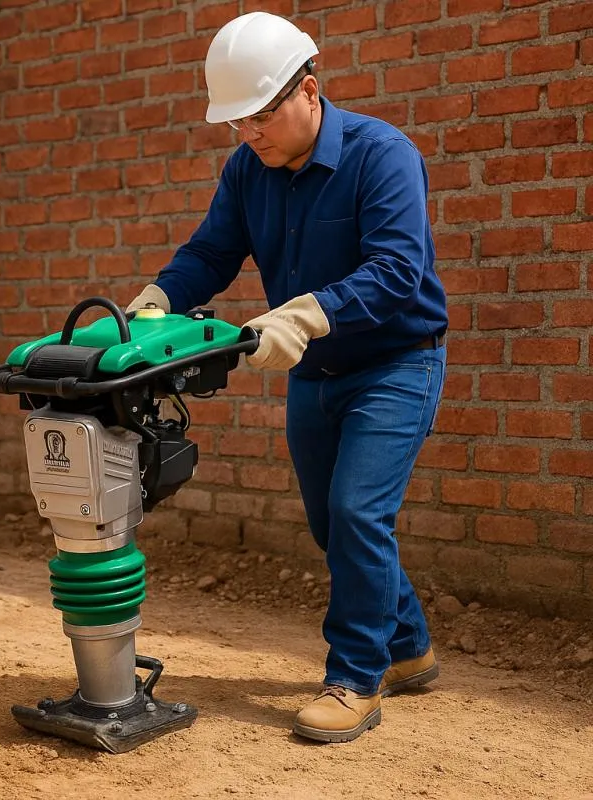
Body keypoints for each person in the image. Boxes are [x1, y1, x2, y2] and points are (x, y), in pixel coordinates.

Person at [126, 11, 448, 744]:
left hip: (398, 363)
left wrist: (304, 315)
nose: (249, 134)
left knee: (358, 513)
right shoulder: (248, 170)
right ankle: (409, 647)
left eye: (261, 115)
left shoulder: (382, 156)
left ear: (309, 88)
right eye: (236, 122)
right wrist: (159, 298)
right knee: (333, 523)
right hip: (316, 372)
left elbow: (398, 270)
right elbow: (212, 252)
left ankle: (355, 678)